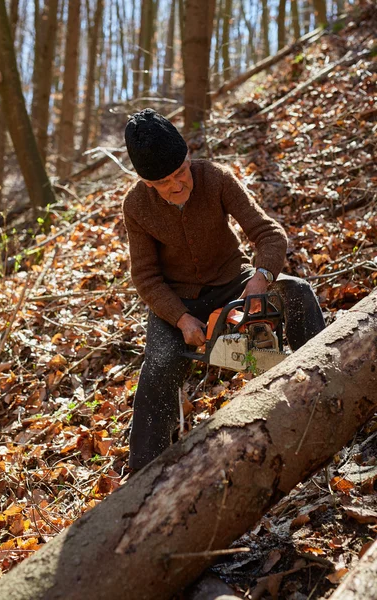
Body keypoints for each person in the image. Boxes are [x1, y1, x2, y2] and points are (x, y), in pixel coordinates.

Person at [123, 108, 325, 471]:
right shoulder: (136, 206)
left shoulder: (215, 178)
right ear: (148, 183)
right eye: (165, 182)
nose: (178, 184)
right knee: (160, 364)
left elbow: (268, 233)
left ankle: (325, 390)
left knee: (297, 293)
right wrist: (181, 319)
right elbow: (146, 277)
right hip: (178, 300)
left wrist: (259, 280)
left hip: (234, 280)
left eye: (181, 172)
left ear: (188, 158)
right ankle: (144, 473)